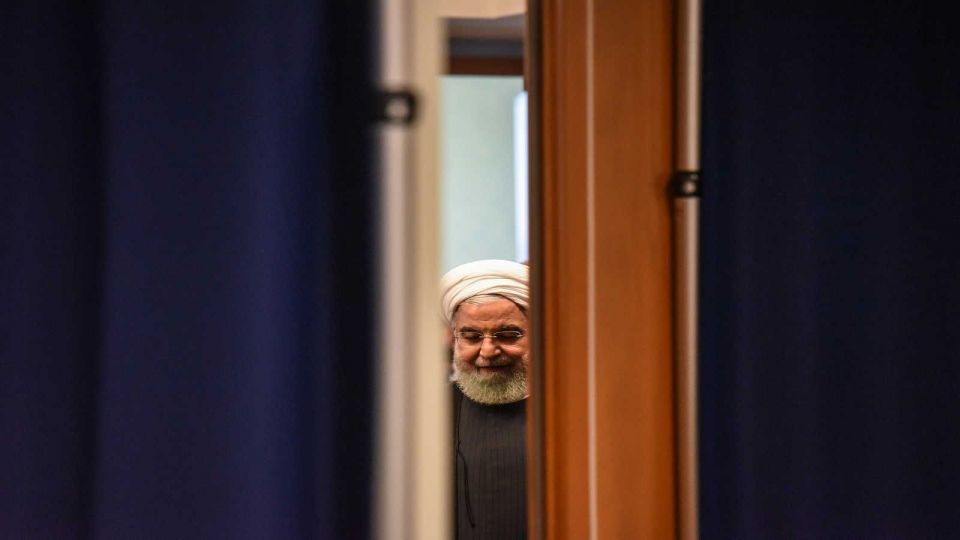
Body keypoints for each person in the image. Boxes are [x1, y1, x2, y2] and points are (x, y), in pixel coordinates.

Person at [440, 259, 530, 540]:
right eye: (472, 336)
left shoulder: (570, 412)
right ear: (455, 340)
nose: (488, 351)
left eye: (508, 335)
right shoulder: (431, 415)